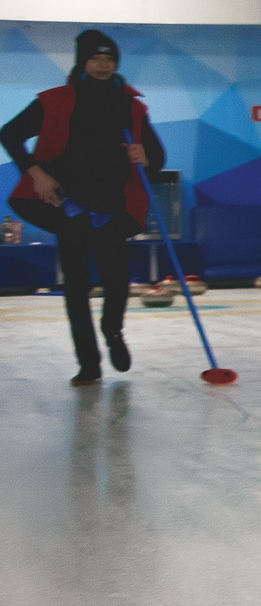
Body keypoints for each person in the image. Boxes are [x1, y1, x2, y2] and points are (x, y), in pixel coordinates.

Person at [4, 29, 165, 385]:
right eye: (95, 59)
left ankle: (113, 332)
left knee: (117, 282)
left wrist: (146, 157)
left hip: (111, 207)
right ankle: (88, 364)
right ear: (82, 61)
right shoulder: (56, 100)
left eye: (109, 60)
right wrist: (36, 174)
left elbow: (156, 155)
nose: (103, 66)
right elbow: (10, 133)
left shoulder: (130, 105)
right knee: (76, 287)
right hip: (68, 205)